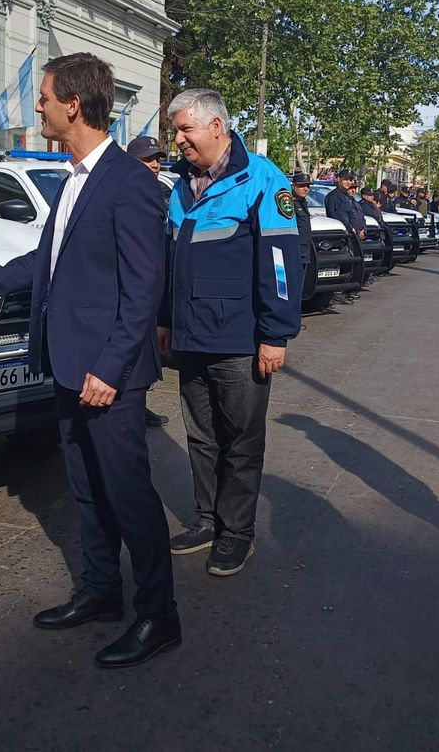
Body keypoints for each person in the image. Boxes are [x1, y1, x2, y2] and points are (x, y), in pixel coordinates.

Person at [0, 53, 179, 669]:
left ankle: (158, 615)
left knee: (128, 494)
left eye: (44, 97)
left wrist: (108, 368)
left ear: (73, 104)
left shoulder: (130, 184)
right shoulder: (72, 178)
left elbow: (143, 289)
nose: (38, 108)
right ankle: (101, 591)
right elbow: (39, 267)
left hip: (108, 376)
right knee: (86, 490)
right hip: (67, 365)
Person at [160, 88, 302, 577]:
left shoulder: (262, 180)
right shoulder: (180, 185)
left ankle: (236, 533)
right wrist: (164, 320)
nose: (177, 139)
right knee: (200, 437)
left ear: (216, 127)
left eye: (184, 129)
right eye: (176, 129)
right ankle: (206, 519)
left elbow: (281, 263)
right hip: (190, 337)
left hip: (240, 342)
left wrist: (276, 335)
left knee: (240, 440)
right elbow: (170, 262)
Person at [127, 134, 171, 429]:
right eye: (148, 159)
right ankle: (135, 408)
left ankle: (139, 404)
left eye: (157, 159)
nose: (155, 164)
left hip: (153, 283)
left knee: (146, 353)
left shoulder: (156, 190)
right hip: (135, 288)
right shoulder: (126, 190)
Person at [324, 169, 365, 303]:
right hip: (341, 236)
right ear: (338, 179)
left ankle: (346, 289)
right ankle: (337, 292)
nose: (348, 182)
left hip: (351, 236)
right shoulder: (333, 197)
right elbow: (335, 217)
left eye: (350, 180)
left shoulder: (347, 197)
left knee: (351, 264)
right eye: (345, 179)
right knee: (342, 264)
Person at [291, 172, 316, 300]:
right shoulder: (290, 203)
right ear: (293, 186)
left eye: (308, 186)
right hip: (295, 252)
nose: (306, 189)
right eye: (302, 186)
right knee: (294, 289)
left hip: (304, 252)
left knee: (300, 288)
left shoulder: (303, 203)